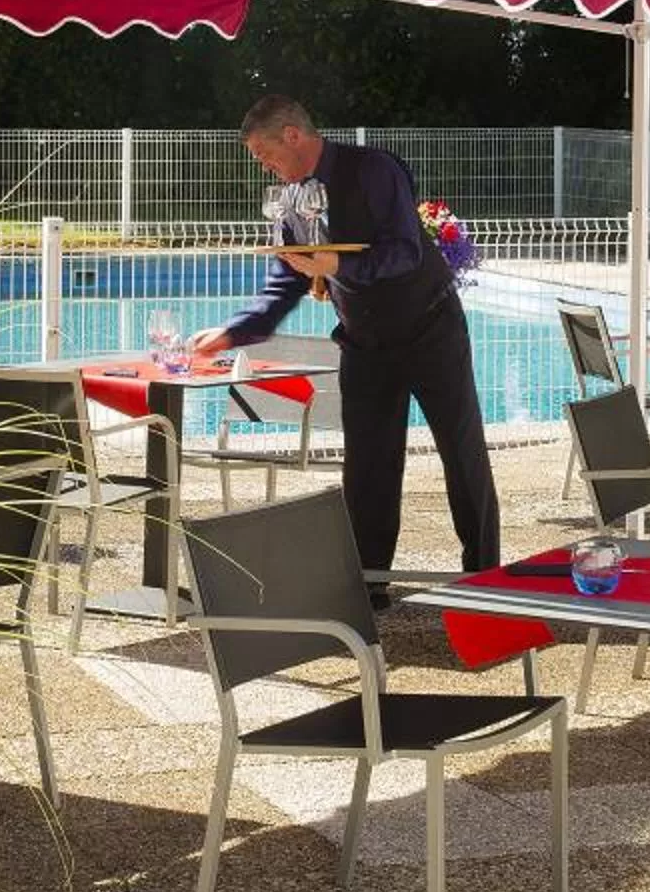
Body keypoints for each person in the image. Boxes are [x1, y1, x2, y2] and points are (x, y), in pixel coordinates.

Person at [191, 95, 501, 584]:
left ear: (293, 135)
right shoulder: (290, 199)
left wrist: (339, 267)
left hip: (430, 328)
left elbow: (405, 252)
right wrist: (234, 332)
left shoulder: (374, 170)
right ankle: (369, 585)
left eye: (264, 154)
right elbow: (287, 280)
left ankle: (486, 579)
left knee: (461, 455)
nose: (264, 167)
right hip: (363, 343)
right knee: (367, 469)